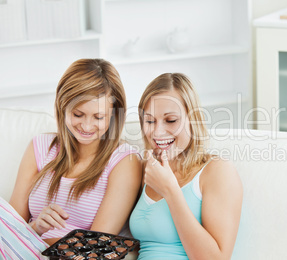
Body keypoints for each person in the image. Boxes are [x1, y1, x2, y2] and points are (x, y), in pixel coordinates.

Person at [0, 58, 142, 259]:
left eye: (98, 117)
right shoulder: (40, 147)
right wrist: (36, 227)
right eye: (78, 114)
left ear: (113, 115)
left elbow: (98, 246)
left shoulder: (124, 161)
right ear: (62, 107)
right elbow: (10, 229)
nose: (86, 126)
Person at [129, 73, 243, 259]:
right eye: (150, 121)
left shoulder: (217, 171)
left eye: (171, 120)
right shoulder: (146, 169)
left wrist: (171, 191)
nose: (157, 132)